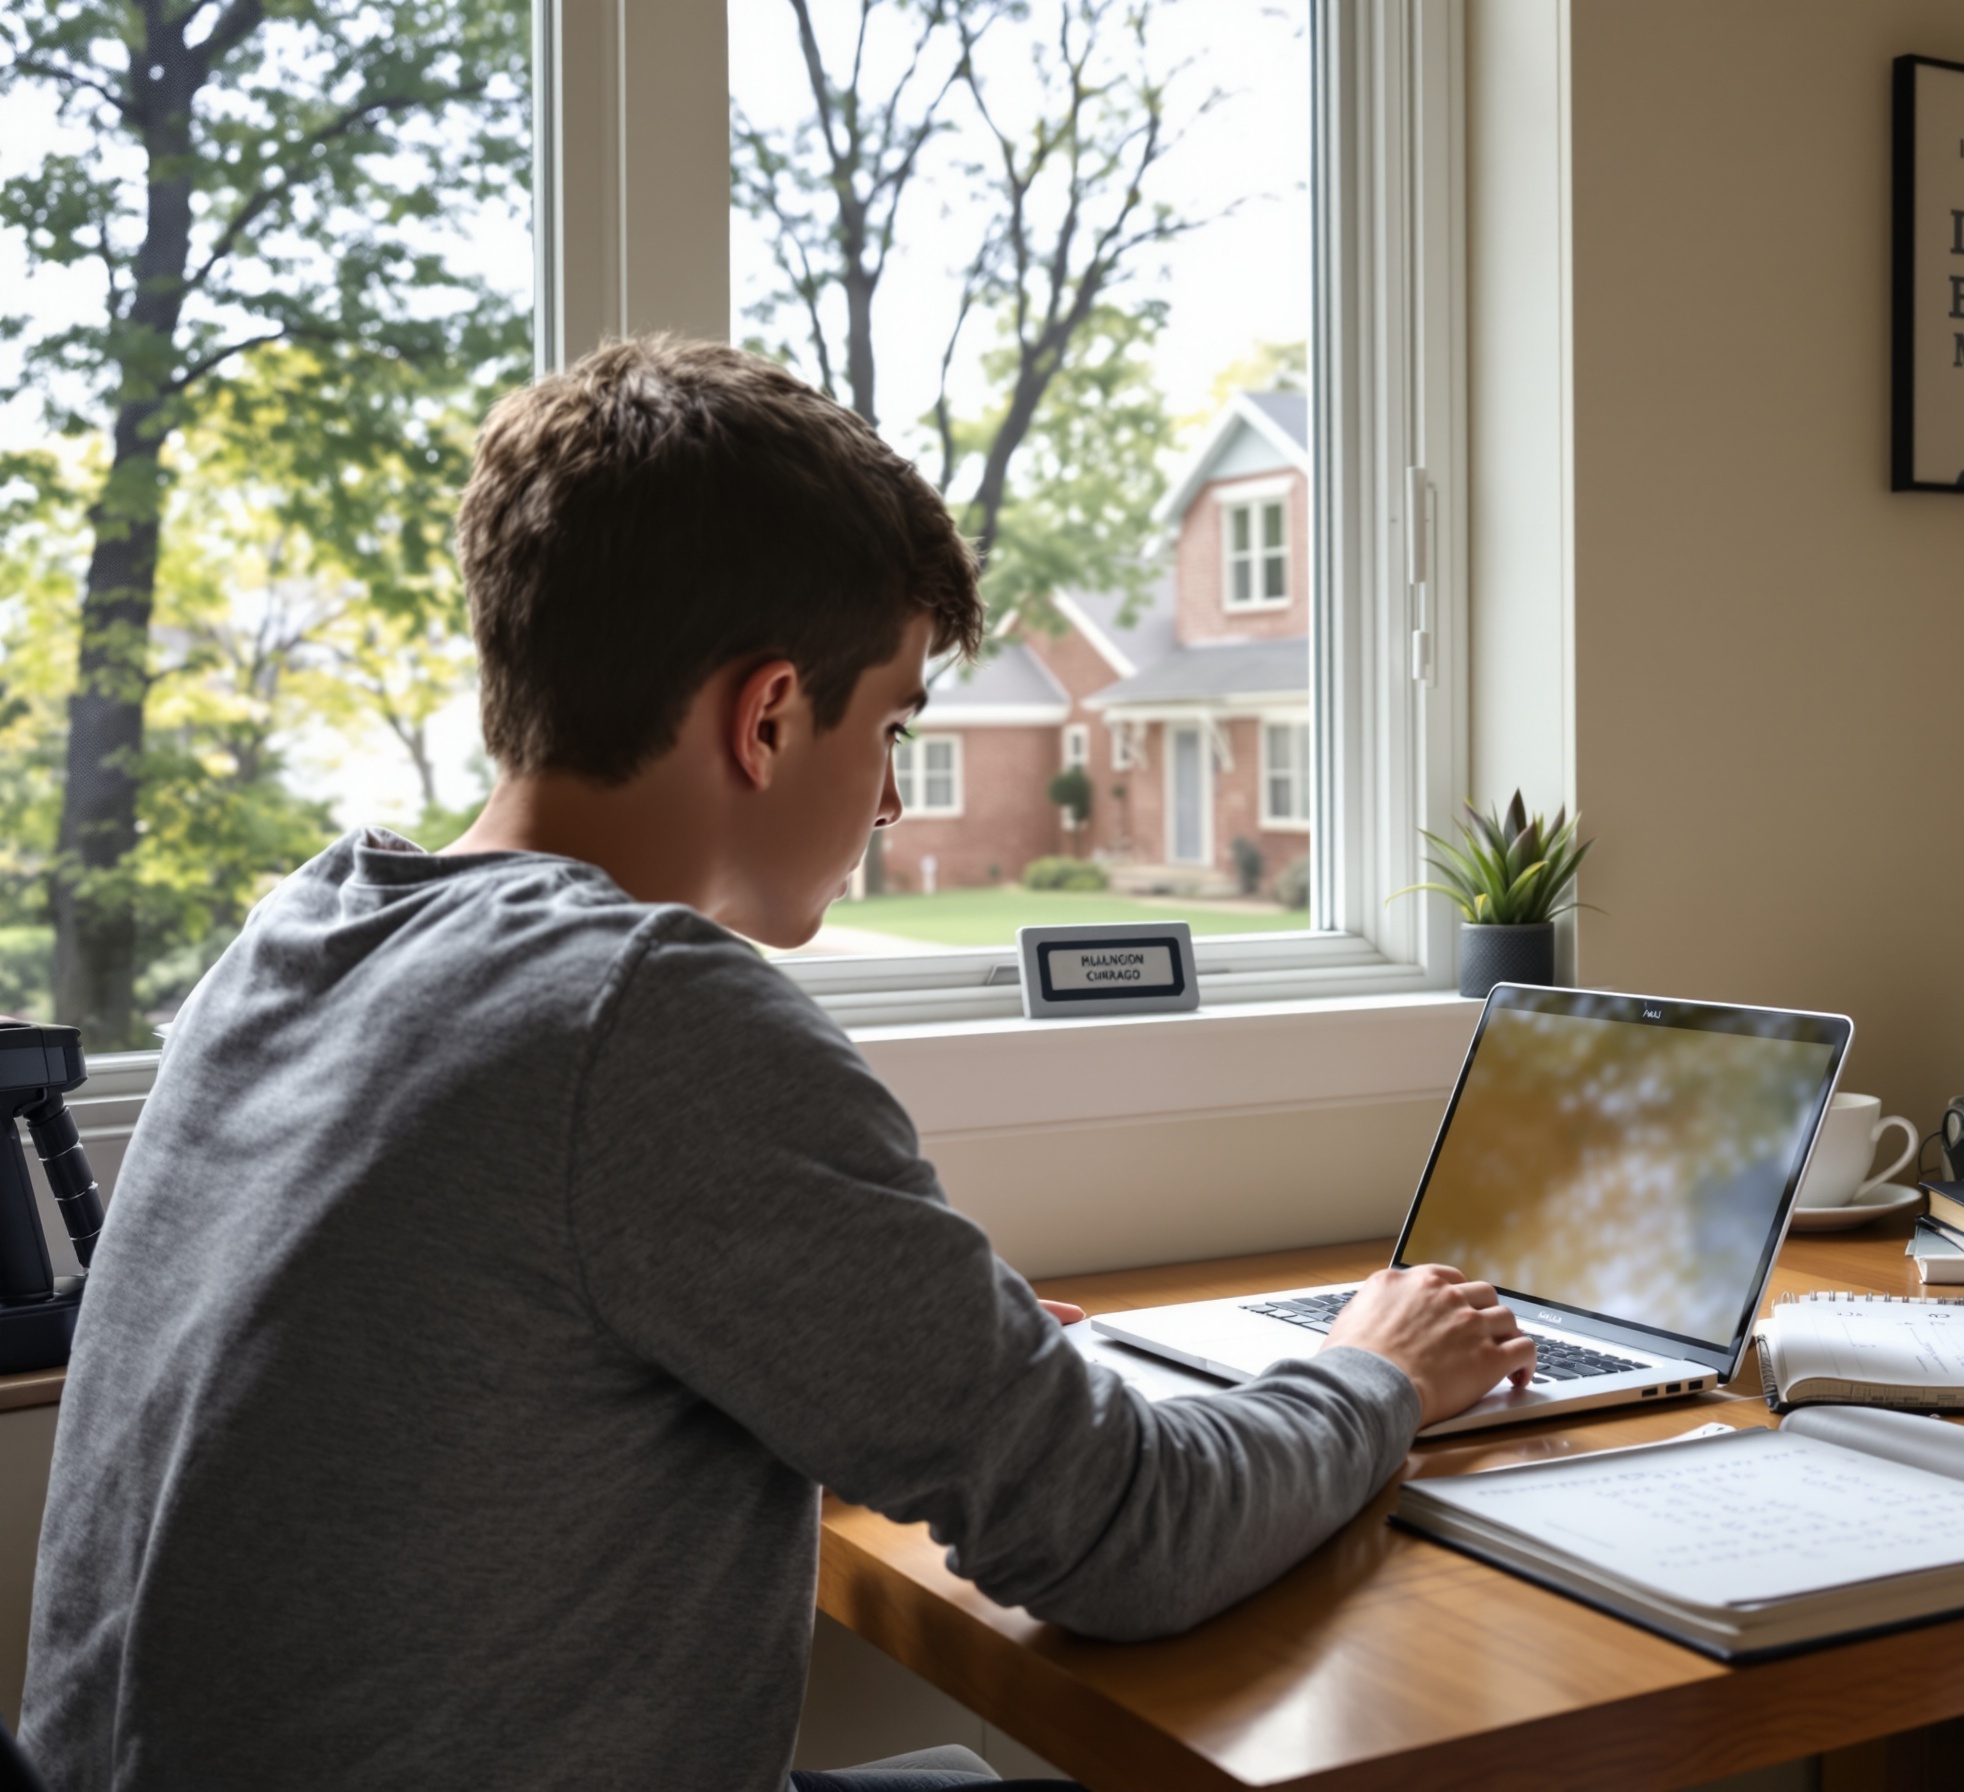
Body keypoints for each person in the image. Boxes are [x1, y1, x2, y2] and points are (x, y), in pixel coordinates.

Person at [20, 337, 1534, 1792]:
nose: (887, 797)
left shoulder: (307, 933)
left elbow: (448, 1423)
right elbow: (1121, 1539)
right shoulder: (642, 1013)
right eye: (889, 725)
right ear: (767, 715)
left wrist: (897, 1373)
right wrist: (1371, 1372)